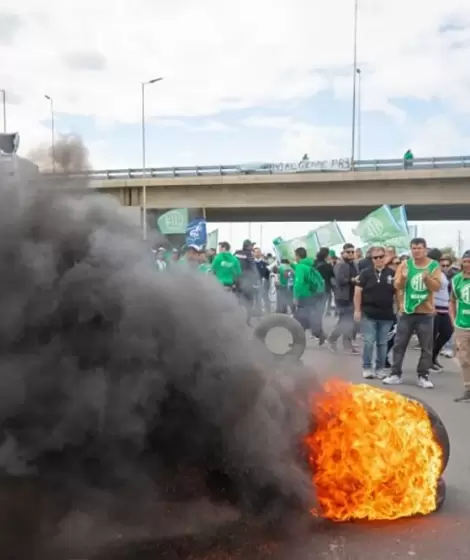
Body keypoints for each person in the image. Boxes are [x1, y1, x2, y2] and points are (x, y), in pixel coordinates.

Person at [383, 237, 441, 389]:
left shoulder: (433, 265)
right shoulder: (405, 264)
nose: (416, 251)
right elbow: (396, 285)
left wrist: (427, 278)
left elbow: (436, 287)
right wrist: (402, 277)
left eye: (419, 248)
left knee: (426, 347)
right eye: (414, 248)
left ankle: (423, 375)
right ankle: (395, 374)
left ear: (425, 249)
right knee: (399, 344)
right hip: (407, 312)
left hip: (425, 313)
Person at [354, 246, 395, 379]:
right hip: (368, 314)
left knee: (382, 343)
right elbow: (357, 292)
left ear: (385, 257)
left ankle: (380, 368)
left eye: (381, 257)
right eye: (375, 257)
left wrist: (399, 310)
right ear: (371, 259)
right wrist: (357, 310)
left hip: (387, 315)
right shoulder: (365, 273)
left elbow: (398, 294)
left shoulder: (392, 273)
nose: (378, 260)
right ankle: (367, 367)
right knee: (369, 341)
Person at [328, 243, 359, 354]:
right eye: (348, 252)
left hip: (352, 296)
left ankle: (347, 345)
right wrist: (352, 280)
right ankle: (332, 339)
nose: (351, 254)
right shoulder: (340, 265)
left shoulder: (354, 264)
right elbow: (340, 280)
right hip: (343, 298)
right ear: (343, 253)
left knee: (349, 322)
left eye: (352, 252)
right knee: (345, 321)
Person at [427, 249, 454, 372]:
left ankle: (433, 357)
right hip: (434, 307)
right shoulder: (431, 271)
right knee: (432, 336)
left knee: (447, 331)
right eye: (440, 260)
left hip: (444, 308)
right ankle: (428, 362)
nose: (442, 263)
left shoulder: (441, 272)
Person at [293, 247, 326, 343]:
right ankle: (318, 333)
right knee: (306, 317)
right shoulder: (309, 266)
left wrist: (295, 296)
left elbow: (298, 283)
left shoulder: (300, 267)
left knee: (299, 319)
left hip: (304, 296)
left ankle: (298, 341)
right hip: (312, 295)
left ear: (297, 256)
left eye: (295, 256)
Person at [449, 250, 470, 402]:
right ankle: (468, 389)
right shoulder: (456, 280)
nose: (467, 265)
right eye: (466, 261)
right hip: (462, 324)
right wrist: (453, 319)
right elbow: (452, 301)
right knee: (464, 359)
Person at [234, 239, 259, 323]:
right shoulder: (249, 255)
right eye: (251, 246)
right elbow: (253, 268)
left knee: (237, 299)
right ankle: (247, 320)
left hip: (237, 280)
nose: (252, 247)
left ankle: (237, 319)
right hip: (247, 281)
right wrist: (256, 280)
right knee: (249, 301)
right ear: (248, 246)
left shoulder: (236, 253)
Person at [315, 247, 335, 315]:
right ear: (326, 255)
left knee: (320, 301)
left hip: (317, 286)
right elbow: (333, 274)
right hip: (326, 285)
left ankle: (318, 312)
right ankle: (327, 311)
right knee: (327, 298)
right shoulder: (327, 265)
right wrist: (331, 265)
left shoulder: (315, 263)